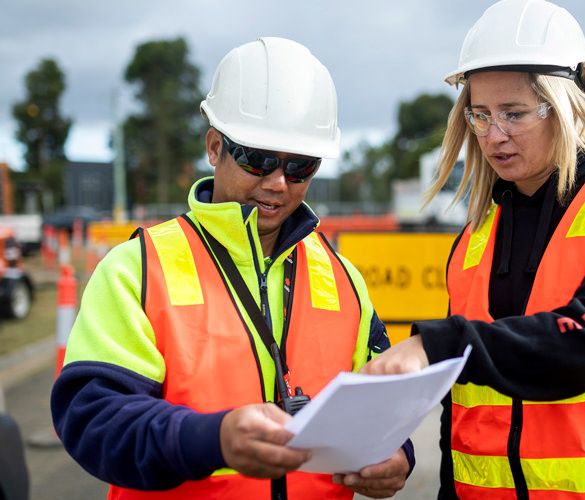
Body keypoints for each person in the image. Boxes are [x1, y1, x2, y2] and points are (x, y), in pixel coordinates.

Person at [361, 1, 585, 498]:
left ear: (567, 104)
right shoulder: (474, 239)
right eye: (480, 115)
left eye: (514, 113)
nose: (493, 135)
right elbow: (460, 416)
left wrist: (440, 343)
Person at [51, 37, 412, 500]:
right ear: (215, 146)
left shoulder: (342, 277)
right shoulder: (136, 270)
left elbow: (383, 402)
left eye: (300, 166)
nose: (278, 184)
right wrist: (212, 440)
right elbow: (92, 419)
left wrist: (398, 454)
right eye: (258, 159)